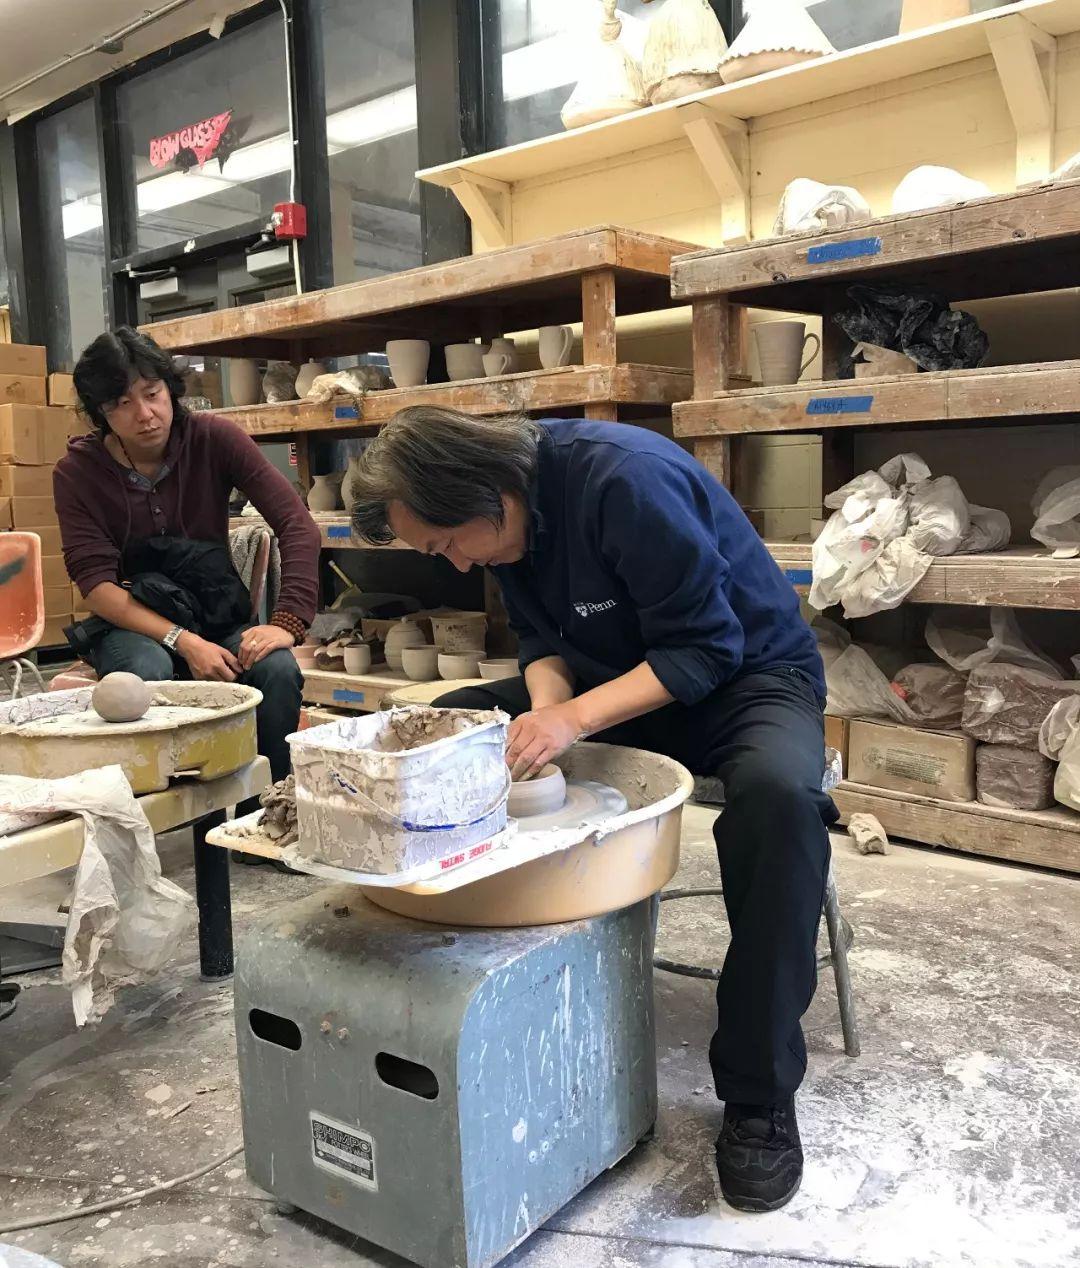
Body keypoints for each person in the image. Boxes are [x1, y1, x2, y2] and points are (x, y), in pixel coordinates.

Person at [349, 406, 837, 1214]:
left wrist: (572, 720)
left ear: (485, 493)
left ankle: (759, 1093)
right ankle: (469, 983)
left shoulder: (625, 481)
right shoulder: (502, 521)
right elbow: (542, 641)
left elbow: (706, 648)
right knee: (450, 724)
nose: (458, 563)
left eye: (447, 544)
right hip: (623, 683)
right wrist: (547, 713)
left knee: (779, 803)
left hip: (749, 678)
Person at [54, 327, 320, 797]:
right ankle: (166, 812)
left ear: (169, 389)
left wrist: (287, 621)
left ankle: (269, 808)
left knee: (276, 670)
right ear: (100, 412)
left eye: (152, 393)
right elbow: (96, 586)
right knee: (146, 675)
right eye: (122, 403)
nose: (145, 414)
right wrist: (183, 640)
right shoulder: (78, 472)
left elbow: (297, 525)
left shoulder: (214, 438)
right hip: (134, 624)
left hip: (215, 612)